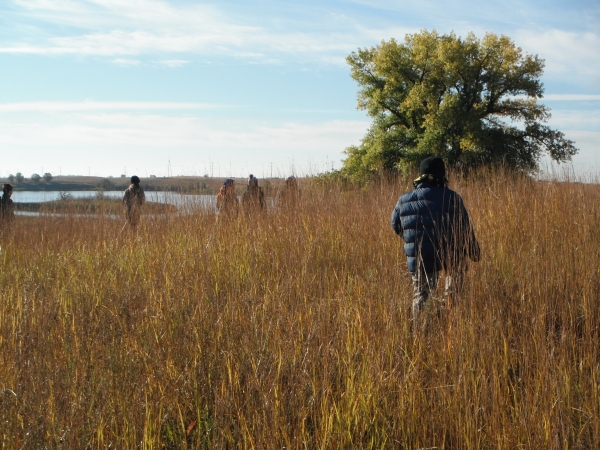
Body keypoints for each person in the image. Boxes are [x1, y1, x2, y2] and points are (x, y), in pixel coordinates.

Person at [391, 156, 480, 321]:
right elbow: (465, 229)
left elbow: (396, 225)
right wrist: (474, 252)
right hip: (449, 252)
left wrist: (413, 239)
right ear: (442, 175)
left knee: (422, 294)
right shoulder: (452, 197)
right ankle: (446, 312)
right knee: (457, 272)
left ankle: (419, 333)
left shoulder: (403, 200)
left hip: (419, 255)